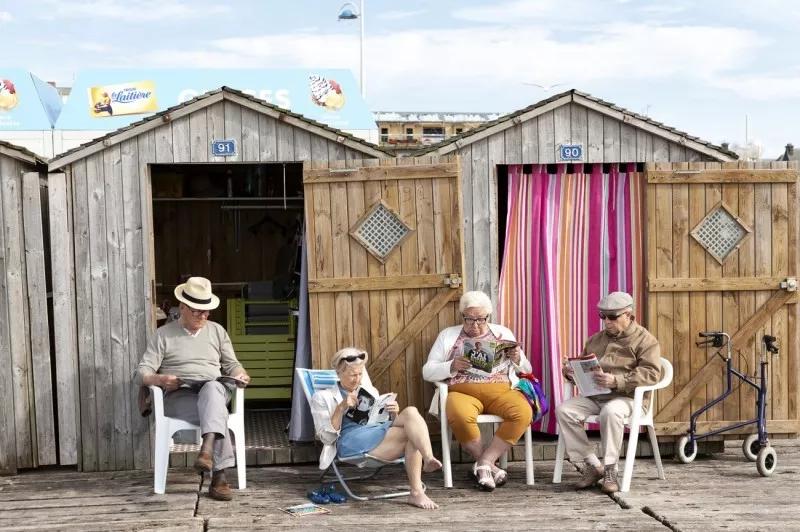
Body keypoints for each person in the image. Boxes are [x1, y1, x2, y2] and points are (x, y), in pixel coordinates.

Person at [133, 276, 250, 501]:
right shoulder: (163, 334)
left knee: (213, 389)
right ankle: (219, 476)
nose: (204, 316)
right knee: (217, 413)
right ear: (183, 308)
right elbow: (141, 373)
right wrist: (160, 379)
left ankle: (207, 450)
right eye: (198, 311)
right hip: (180, 395)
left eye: (207, 312)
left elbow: (232, 364)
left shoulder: (217, 331)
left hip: (214, 391)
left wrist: (240, 374)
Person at [422, 290, 533, 491]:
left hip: (502, 391)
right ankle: (489, 467)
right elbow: (427, 371)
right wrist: (451, 366)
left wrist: (518, 359)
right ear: (462, 316)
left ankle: (484, 463)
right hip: (463, 392)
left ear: (488, 316)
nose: (475, 325)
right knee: (458, 413)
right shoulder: (447, 335)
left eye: (481, 319)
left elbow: (527, 369)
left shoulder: (503, 333)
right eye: (469, 319)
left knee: (523, 411)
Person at [555, 291, 661, 494]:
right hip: (596, 396)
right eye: (603, 316)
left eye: (612, 317)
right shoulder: (595, 340)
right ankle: (594, 465)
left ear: (628, 315)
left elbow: (652, 374)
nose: (607, 322)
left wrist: (617, 381)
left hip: (628, 398)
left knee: (611, 412)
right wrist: (570, 372)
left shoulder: (646, 341)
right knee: (564, 411)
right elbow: (585, 369)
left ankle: (611, 469)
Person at [310, 348, 442, 509]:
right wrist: (341, 407)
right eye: (352, 375)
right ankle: (416, 492)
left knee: (411, 412)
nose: (357, 379)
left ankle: (428, 459)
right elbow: (326, 438)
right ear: (339, 373)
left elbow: (380, 422)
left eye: (360, 374)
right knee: (410, 433)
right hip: (349, 441)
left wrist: (393, 414)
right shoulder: (321, 397)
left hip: (374, 432)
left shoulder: (369, 392)